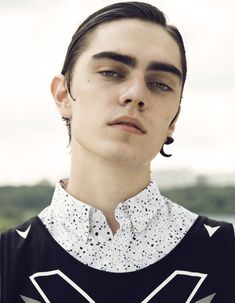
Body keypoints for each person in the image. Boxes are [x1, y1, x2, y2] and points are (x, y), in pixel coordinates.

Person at [0, 2, 234, 302]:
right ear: (63, 95)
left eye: (160, 84)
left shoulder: (227, 253)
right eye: (111, 72)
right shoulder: (7, 263)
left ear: (173, 118)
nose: (135, 94)